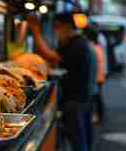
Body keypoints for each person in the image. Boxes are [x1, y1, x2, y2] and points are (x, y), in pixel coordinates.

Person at [27, 12, 96, 151]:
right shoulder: (72, 42)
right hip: (80, 98)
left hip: (76, 100)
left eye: (57, 27)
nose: (55, 31)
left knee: (78, 140)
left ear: (66, 26)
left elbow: (51, 56)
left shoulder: (77, 44)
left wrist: (35, 29)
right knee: (81, 138)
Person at [84, 27, 106, 124]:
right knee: (97, 96)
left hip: (96, 76)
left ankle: (97, 116)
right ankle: (98, 115)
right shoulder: (97, 47)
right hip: (100, 75)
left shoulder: (91, 48)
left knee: (95, 97)